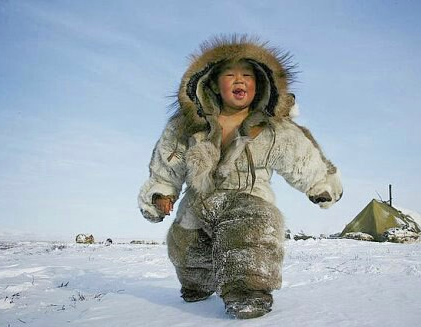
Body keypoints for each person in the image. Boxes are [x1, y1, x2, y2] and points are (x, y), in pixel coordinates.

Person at [138, 35, 343, 319]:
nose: (240, 81)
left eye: (247, 75)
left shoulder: (273, 129)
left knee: (250, 229)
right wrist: (162, 193)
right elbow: (166, 163)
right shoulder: (186, 126)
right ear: (212, 83)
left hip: (248, 199)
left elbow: (301, 156)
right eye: (230, 75)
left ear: (259, 83)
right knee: (185, 250)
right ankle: (198, 283)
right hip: (197, 204)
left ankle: (249, 291)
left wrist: (319, 184)